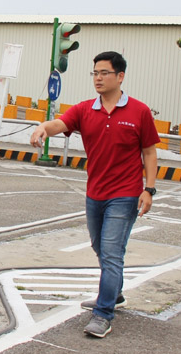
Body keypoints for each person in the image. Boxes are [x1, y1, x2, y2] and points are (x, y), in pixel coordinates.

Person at [30, 51, 159, 338]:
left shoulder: (139, 111)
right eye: (95, 73)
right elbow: (59, 124)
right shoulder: (85, 109)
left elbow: (149, 152)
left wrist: (148, 189)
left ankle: (103, 313)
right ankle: (114, 293)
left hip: (125, 194)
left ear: (120, 76)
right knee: (101, 248)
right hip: (95, 193)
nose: (98, 78)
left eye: (104, 73)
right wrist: (42, 128)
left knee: (112, 253)